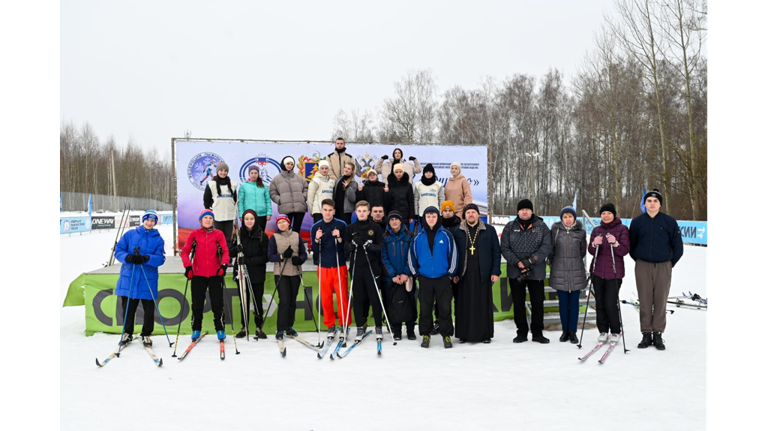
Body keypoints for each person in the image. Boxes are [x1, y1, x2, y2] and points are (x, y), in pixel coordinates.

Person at [629, 189, 684, 350]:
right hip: (643, 265)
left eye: (655, 201)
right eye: (649, 201)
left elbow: (678, 247)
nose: (652, 204)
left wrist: (668, 263)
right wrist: (640, 259)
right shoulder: (638, 222)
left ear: (660, 204)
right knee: (645, 301)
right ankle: (646, 334)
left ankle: (658, 334)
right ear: (645, 204)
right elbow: (632, 245)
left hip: (663, 266)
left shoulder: (669, 222)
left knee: (660, 301)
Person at [500, 199, 552, 344]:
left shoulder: (541, 226)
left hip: (536, 271)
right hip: (516, 271)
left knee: (537, 303)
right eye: (522, 209)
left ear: (531, 211)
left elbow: (546, 247)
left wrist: (530, 261)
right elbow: (504, 247)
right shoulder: (510, 227)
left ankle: (537, 333)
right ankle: (521, 333)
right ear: (517, 211)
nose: (524, 212)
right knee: (518, 303)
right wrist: (517, 262)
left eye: (527, 209)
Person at [114, 210, 166, 346]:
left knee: (148, 309)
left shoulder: (158, 239)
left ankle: (147, 334)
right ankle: (127, 332)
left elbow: (161, 258)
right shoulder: (130, 234)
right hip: (129, 277)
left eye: (153, 221)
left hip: (147, 279)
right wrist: (128, 257)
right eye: (147, 220)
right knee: (128, 308)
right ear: (143, 220)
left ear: (155, 222)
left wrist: (147, 258)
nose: (149, 223)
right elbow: (118, 250)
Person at [408, 206, 458, 349]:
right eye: (428, 216)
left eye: (434, 216)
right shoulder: (418, 236)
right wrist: (416, 274)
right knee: (425, 308)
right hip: (425, 278)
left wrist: (450, 273)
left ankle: (446, 334)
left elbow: (453, 254)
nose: (431, 219)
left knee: (445, 308)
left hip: (443, 277)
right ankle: (425, 334)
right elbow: (412, 257)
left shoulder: (446, 235)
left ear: (438, 218)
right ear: (424, 218)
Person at [452, 204, 501, 344]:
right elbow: (453, 254)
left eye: (473, 212)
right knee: (463, 304)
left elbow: (496, 252)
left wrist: (495, 271)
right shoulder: (458, 231)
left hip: (483, 273)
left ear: (478, 214)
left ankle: (485, 334)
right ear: (465, 215)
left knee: (482, 304)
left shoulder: (489, 230)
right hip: (464, 273)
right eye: (468, 212)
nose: (471, 215)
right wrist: (455, 273)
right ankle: (463, 334)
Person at [181, 209, 230, 341]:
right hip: (198, 274)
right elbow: (185, 252)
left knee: (217, 303)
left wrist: (224, 265)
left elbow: (225, 251)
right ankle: (196, 328)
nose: (208, 220)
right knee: (197, 303)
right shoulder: (194, 234)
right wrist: (188, 267)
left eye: (210, 217)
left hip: (215, 273)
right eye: (205, 217)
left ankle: (220, 328)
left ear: (213, 220)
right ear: (200, 220)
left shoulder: (218, 234)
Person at [588, 203, 630, 346]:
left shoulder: (622, 229)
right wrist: (594, 244)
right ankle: (603, 330)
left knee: (610, 303)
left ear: (614, 215)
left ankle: (615, 331)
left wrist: (616, 244)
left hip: (614, 273)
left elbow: (625, 250)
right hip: (597, 272)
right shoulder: (597, 230)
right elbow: (591, 251)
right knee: (600, 303)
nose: (606, 216)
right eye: (603, 213)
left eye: (609, 213)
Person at [344, 201, 386, 342]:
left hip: (372, 268)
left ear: (369, 212)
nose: (362, 213)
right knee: (358, 299)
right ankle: (360, 327)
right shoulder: (350, 228)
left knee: (374, 298)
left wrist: (370, 245)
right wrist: (352, 244)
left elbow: (380, 247)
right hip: (357, 268)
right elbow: (345, 247)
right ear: (356, 212)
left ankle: (378, 327)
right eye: (359, 211)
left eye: (364, 210)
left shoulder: (375, 227)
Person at [310, 199, 350, 340]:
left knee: (342, 297)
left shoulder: (341, 224)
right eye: (325, 210)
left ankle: (344, 324)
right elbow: (314, 250)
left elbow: (346, 247)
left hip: (339, 266)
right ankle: (330, 325)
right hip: (323, 266)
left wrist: (339, 238)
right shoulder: (316, 227)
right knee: (326, 298)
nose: (327, 212)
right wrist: (316, 239)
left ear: (334, 211)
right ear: (321, 210)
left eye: (330, 210)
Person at [548, 206, 588, 344]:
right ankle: (565, 331)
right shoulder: (555, 231)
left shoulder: (581, 233)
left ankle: (573, 331)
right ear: (561, 219)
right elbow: (551, 250)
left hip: (576, 272)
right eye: (565, 217)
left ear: (574, 218)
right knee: (563, 303)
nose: (568, 219)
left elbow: (583, 252)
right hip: (560, 271)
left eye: (570, 216)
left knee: (574, 303)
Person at [267, 215, 308, 340]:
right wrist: (282, 256)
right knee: (284, 300)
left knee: (292, 301)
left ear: (288, 223)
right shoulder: (274, 237)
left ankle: (289, 326)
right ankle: (280, 328)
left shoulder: (296, 235)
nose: (282, 224)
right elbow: (270, 256)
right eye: (279, 223)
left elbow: (303, 253)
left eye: (284, 222)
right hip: (281, 273)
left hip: (295, 272)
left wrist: (300, 260)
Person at [231, 209, 269, 339]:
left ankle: (259, 327)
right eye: (246, 219)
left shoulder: (262, 236)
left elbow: (265, 257)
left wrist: (247, 260)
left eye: (251, 218)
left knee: (257, 301)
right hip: (241, 272)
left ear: (255, 220)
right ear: (243, 220)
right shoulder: (238, 235)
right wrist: (236, 249)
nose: (249, 221)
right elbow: (230, 252)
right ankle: (244, 326)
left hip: (257, 273)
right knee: (244, 301)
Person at [381, 210, 417, 341]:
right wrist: (393, 275)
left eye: (396, 219)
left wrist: (406, 273)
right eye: (391, 219)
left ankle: (411, 329)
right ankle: (397, 330)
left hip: (407, 277)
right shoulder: (385, 237)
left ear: (401, 221)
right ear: (389, 222)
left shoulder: (409, 235)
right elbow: (383, 257)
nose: (394, 222)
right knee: (393, 304)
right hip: (391, 279)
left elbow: (412, 255)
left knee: (410, 303)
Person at [203, 161, 238, 258]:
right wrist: (210, 212)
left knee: (228, 238)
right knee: (217, 238)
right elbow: (206, 200)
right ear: (217, 171)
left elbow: (234, 200)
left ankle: (227, 257)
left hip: (229, 216)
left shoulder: (233, 184)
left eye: (225, 171)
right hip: (217, 216)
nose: (223, 172)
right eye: (221, 170)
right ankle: (218, 256)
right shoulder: (211, 184)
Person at [269, 156, 309, 234]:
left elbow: (306, 189)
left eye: (291, 164)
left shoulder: (300, 178)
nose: (290, 166)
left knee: (297, 230)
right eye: (288, 163)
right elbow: (273, 193)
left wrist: (303, 197)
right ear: (283, 164)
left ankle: (296, 245)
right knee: (285, 231)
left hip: (299, 208)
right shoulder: (276, 179)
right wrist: (280, 200)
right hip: (285, 208)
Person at [238, 164, 272, 232]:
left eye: (256, 173)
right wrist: (241, 214)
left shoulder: (264, 185)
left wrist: (269, 213)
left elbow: (268, 200)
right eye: (252, 173)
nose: (254, 175)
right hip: (249, 215)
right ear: (249, 174)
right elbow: (240, 202)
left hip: (262, 215)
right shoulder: (244, 186)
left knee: (261, 234)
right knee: (250, 234)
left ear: (258, 174)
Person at [413, 163, 445, 232]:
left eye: (430, 172)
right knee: (424, 232)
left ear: (433, 173)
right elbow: (416, 199)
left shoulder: (438, 185)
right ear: (424, 173)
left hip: (435, 214)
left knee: (434, 231)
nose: (428, 174)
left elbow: (441, 199)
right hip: (422, 214)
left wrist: (441, 213)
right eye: (426, 172)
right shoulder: (418, 185)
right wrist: (416, 213)